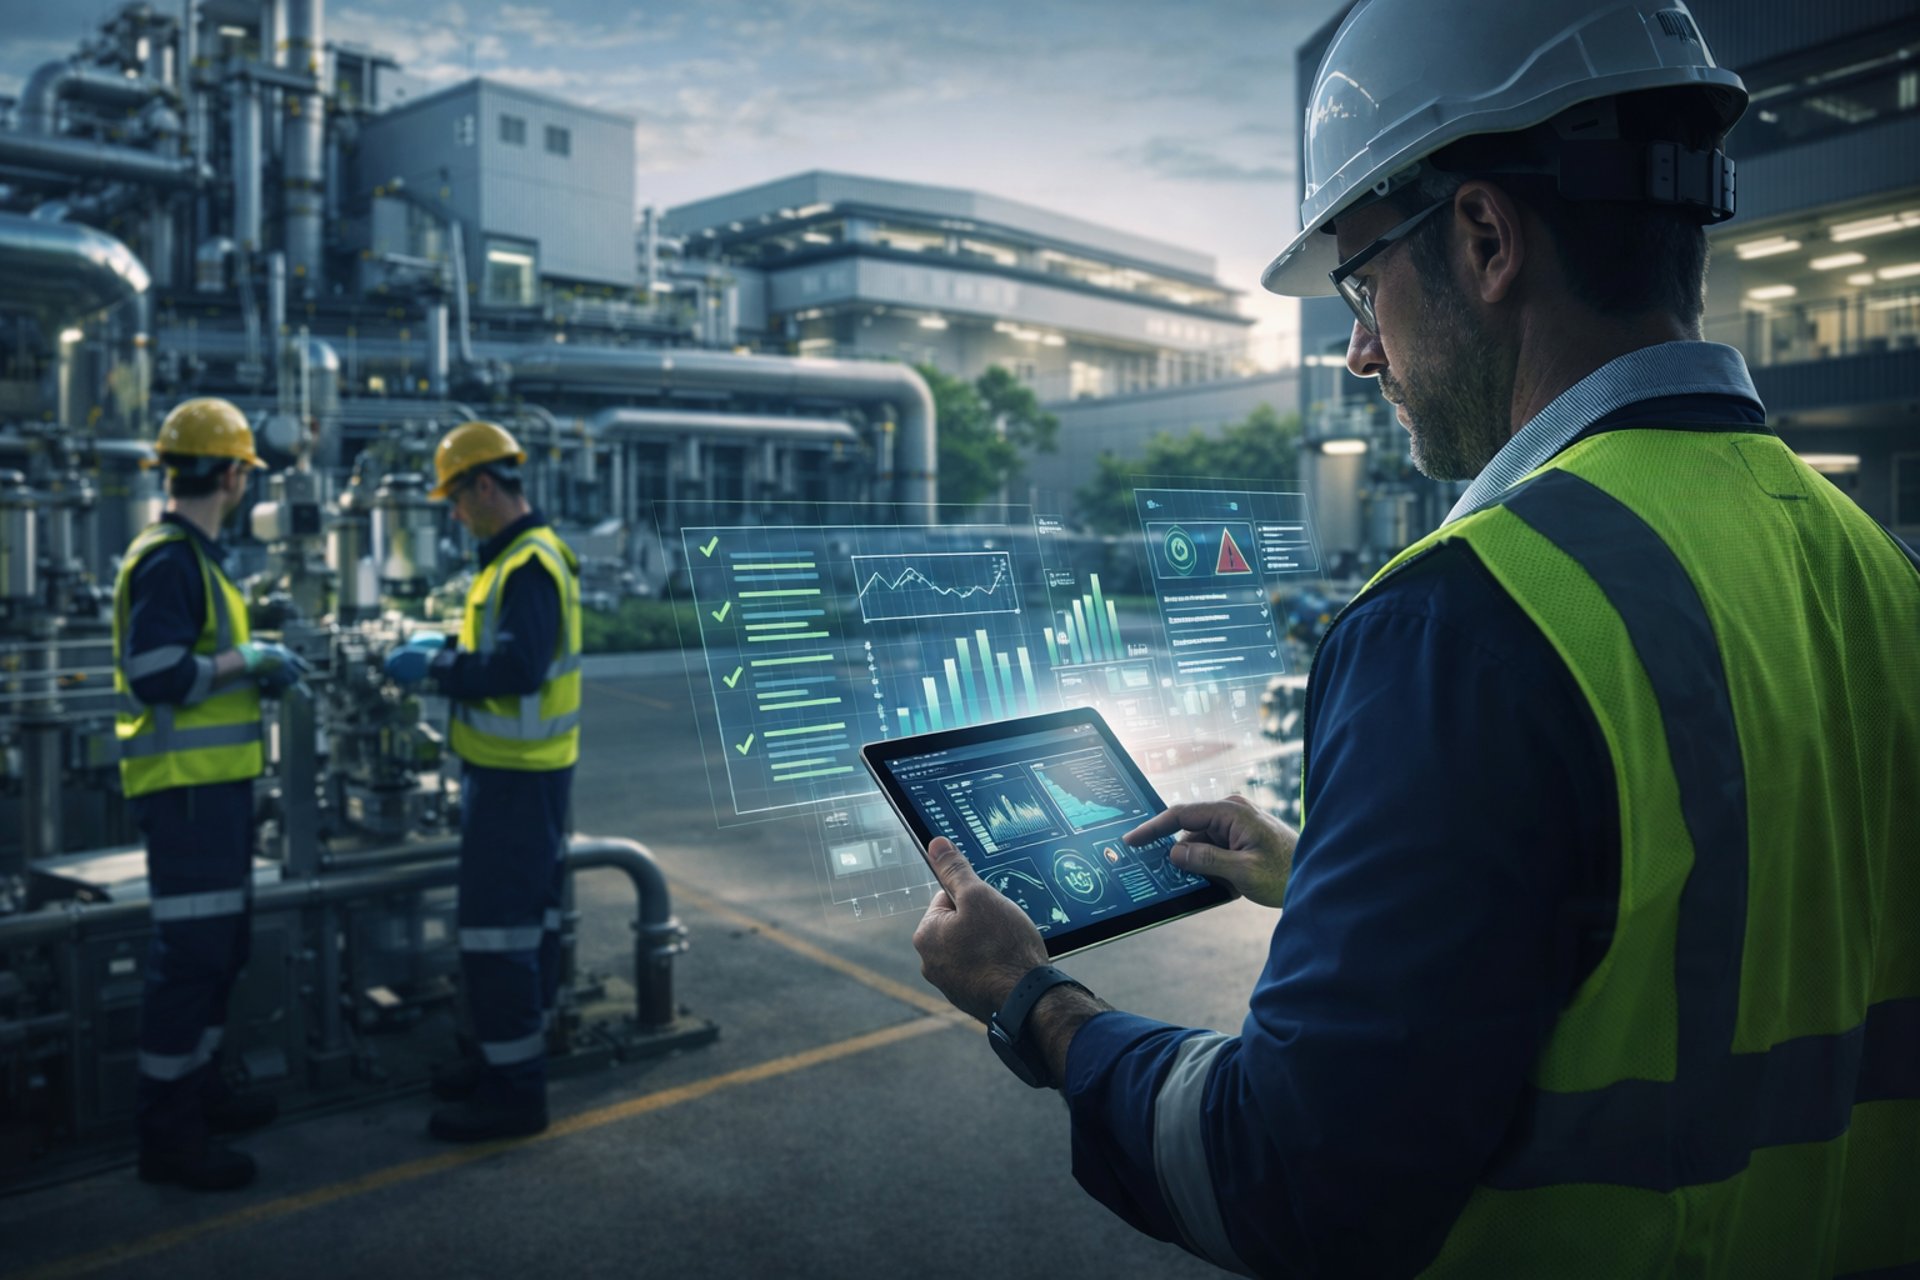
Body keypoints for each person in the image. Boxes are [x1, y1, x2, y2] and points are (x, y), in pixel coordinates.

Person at [913, 0, 1920, 1273]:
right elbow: (1721, 896)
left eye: (1362, 281)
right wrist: (1329, 867)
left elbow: (1279, 1175)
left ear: (1486, 235)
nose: (1357, 350)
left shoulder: (1466, 623)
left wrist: (1030, 999)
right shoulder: (1879, 569)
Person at [115, 398, 309, 1190]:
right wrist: (248, 661)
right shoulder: (170, 558)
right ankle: (168, 1139)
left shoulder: (196, 557)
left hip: (217, 795)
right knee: (190, 962)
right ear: (232, 474)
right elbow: (155, 673)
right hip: (187, 798)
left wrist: (247, 659)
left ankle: (200, 1097)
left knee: (221, 952)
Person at [384, 420, 582, 1142]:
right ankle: (504, 1065)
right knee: (518, 931)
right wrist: (445, 645)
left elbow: (519, 669)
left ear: (486, 485)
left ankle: (515, 1095)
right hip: (520, 780)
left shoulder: (527, 562)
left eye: (457, 499)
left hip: (515, 783)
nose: (453, 513)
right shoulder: (519, 558)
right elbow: (506, 651)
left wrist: (434, 668)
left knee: (499, 937)